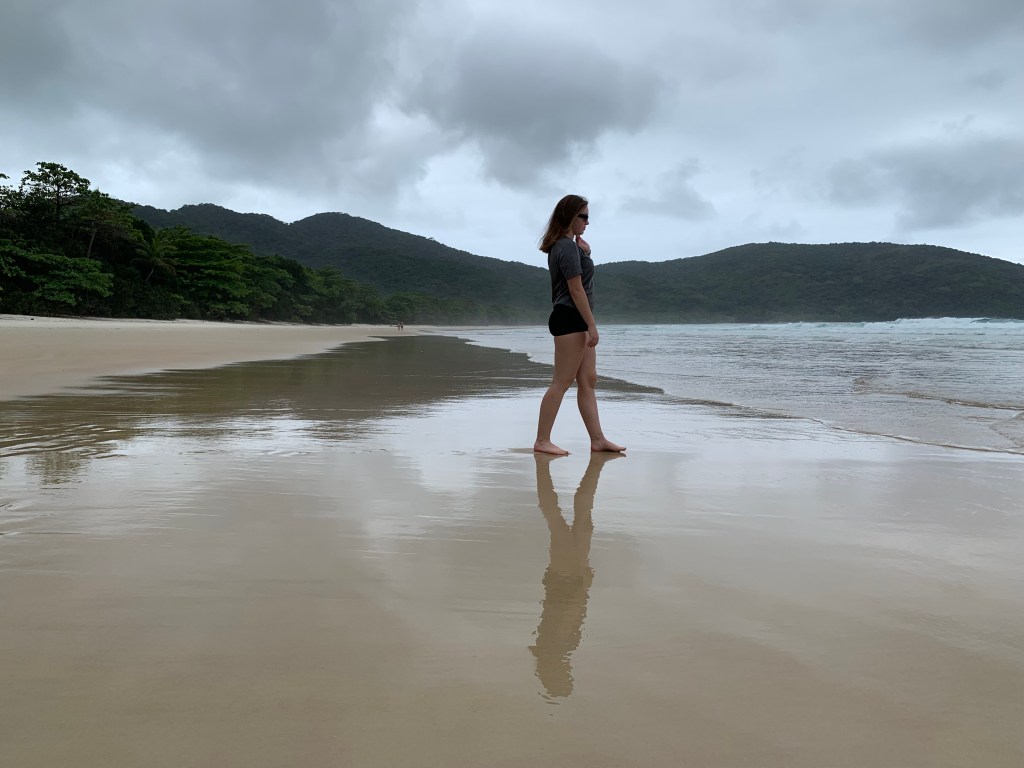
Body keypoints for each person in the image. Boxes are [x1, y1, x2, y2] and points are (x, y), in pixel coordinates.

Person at [534, 195, 625, 456]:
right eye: (583, 216)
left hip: (576, 319)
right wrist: (591, 325)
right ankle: (542, 440)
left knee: (588, 380)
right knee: (561, 381)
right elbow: (575, 289)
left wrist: (586, 254)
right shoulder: (564, 247)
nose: (587, 222)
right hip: (570, 318)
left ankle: (598, 439)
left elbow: (581, 281)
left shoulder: (570, 247)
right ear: (570, 216)